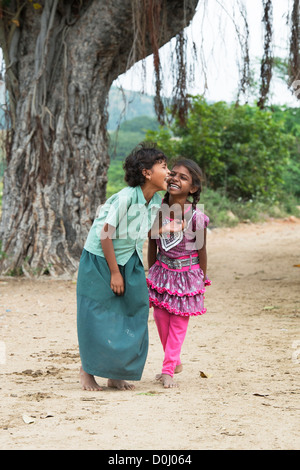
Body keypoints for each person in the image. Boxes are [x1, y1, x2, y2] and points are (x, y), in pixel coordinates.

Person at [77, 143, 170, 391]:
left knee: (134, 311)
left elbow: (138, 230)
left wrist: (164, 230)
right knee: (96, 314)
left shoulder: (156, 200)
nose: (168, 172)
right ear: (146, 172)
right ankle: (87, 371)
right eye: (164, 167)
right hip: (100, 258)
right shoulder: (127, 196)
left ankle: (116, 373)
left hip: (129, 258)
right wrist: (115, 273)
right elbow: (106, 234)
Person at [147, 158, 211, 388]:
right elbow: (153, 243)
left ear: (192, 188)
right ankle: (174, 360)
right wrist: (152, 270)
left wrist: (201, 279)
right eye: (173, 174)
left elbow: (201, 249)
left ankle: (167, 370)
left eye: (183, 177)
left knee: (178, 324)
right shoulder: (158, 211)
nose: (175, 179)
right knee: (160, 319)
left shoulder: (196, 217)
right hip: (162, 273)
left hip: (188, 276)